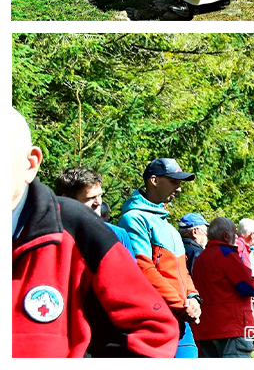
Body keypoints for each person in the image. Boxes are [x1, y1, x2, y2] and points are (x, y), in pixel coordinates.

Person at [13, 111, 179, 358]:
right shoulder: (132, 219)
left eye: (99, 199)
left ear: (31, 164)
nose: (98, 206)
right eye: (91, 199)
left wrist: (187, 298)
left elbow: (145, 309)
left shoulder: (89, 232)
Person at [117, 157, 202, 357]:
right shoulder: (133, 219)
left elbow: (183, 272)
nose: (179, 188)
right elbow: (143, 269)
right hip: (155, 319)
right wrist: (181, 304)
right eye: (174, 181)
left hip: (180, 320)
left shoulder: (168, 225)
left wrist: (193, 297)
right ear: (154, 180)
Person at [192, 217, 254, 358]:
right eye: (234, 233)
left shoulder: (201, 258)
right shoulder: (227, 255)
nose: (236, 237)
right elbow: (247, 288)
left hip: (205, 329)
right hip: (231, 328)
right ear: (226, 236)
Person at [53, 166, 133, 253]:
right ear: (67, 200)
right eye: (91, 198)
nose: (98, 202)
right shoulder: (52, 238)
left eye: (99, 196)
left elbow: (130, 266)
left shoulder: (117, 235)